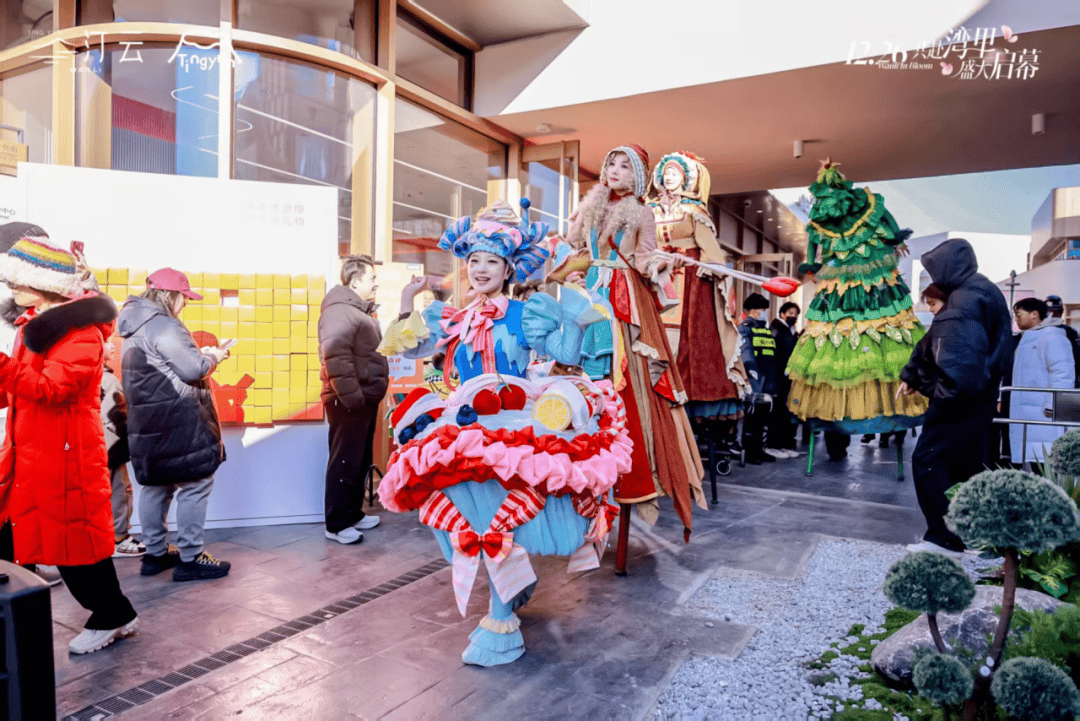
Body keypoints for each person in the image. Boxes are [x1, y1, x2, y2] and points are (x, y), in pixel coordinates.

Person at [377, 199, 628, 665]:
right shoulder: (452, 317)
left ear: (508, 267)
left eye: (491, 260)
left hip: (514, 434)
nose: (480, 269)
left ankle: (501, 623)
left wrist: (576, 317)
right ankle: (515, 587)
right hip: (461, 430)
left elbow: (564, 351)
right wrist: (408, 303)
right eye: (473, 260)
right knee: (459, 525)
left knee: (495, 526)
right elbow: (406, 347)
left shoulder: (525, 313)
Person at [561, 144, 705, 569]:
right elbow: (575, 250)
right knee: (577, 376)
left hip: (623, 303)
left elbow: (642, 261)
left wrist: (660, 265)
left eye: (625, 165)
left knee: (626, 383)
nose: (615, 170)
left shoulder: (642, 213)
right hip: (588, 297)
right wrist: (573, 268)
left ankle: (627, 473)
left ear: (639, 176)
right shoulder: (590, 207)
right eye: (610, 164)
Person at [0, 237, 138, 654]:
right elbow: (22, 389)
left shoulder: (80, 334)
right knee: (22, 534)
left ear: (43, 286)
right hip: (35, 452)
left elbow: (52, 389)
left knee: (76, 547)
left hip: (65, 455)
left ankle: (113, 615)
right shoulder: (34, 326)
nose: (11, 288)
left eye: (18, 281)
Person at [898, 239, 1012, 557]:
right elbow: (938, 342)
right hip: (979, 399)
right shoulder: (981, 291)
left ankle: (943, 538)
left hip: (958, 402)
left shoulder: (963, 301)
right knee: (964, 467)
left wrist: (932, 389)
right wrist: (914, 375)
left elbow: (958, 366)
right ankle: (968, 537)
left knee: (929, 460)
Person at [119, 269, 231, 581]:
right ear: (171, 296)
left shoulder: (133, 324)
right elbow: (193, 368)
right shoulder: (164, 324)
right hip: (177, 420)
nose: (184, 305)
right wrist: (214, 356)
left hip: (147, 422)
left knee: (157, 485)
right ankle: (191, 558)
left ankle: (155, 554)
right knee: (196, 483)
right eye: (184, 298)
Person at [646, 151, 749, 459]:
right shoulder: (646, 210)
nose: (669, 178)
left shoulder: (694, 211)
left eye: (676, 173)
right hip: (652, 279)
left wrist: (707, 265)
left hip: (686, 282)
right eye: (666, 173)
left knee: (688, 343)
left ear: (688, 178)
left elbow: (712, 253)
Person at [318, 254, 389, 545]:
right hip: (347, 400)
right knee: (345, 460)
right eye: (372, 278)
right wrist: (354, 398)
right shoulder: (339, 311)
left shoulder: (358, 312)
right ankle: (336, 524)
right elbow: (336, 358)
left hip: (361, 398)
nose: (376, 283)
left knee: (359, 459)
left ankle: (353, 513)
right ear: (356, 280)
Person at [1008, 297, 1075, 466]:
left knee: (1045, 462)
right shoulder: (1028, 338)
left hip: (1044, 412)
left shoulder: (1053, 337)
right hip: (1030, 411)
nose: (1016, 319)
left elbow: (1063, 374)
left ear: (1034, 315)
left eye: (1019, 314)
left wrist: (1052, 404)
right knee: (1035, 461)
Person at [101, 362, 144, 557]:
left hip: (94, 449)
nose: (111, 345)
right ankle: (120, 538)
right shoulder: (107, 379)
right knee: (120, 493)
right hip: (113, 448)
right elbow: (116, 419)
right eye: (106, 342)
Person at [739, 293, 778, 464]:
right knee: (753, 417)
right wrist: (751, 372)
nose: (765, 313)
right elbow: (745, 352)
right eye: (762, 310)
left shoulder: (765, 329)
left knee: (763, 418)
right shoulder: (745, 328)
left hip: (767, 379)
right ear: (753, 310)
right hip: (755, 380)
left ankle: (759, 450)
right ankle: (749, 452)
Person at [768, 301, 801, 458]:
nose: (793, 317)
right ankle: (774, 445)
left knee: (788, 411)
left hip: (790, 378)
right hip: (779, 378)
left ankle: (786, 445)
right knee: (778, 412)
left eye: (795, 314)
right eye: (790, 313)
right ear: (782, 314)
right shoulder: (777, 331)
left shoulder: (792, 332)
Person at [1044, 295, 1080, 387]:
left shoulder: (1069, 332)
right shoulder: (1038, 331)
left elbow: (1076, 357)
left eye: (1053, 312)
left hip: (1064, 378)